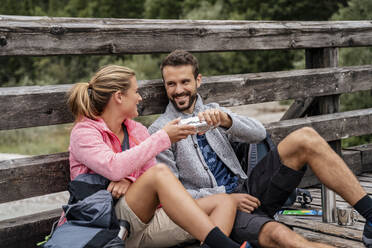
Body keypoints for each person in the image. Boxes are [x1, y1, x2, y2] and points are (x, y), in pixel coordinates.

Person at [148, 49, 372, 248]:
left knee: (306, 137)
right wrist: (225, 198)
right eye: (171, 84)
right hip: (220, 211)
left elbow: (260, 134)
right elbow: (174, 197)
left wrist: (226, 120)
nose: (178, 90)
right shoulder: (161, 132)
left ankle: (370, 215)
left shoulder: (213, 111)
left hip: (250, 187)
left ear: (198, 80)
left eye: (185, 82)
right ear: (165, 85)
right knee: (281, 235)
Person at [67, 64, 250, 248]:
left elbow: (147, 172)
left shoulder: (136, 130)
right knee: (160, 174)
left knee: (224, 202)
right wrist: (163, 137)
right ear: (119, 97)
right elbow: (114, 167)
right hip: (106, 224)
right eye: (136, 91)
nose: (139, 98)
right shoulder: (84, 132)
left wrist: (130, 180)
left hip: (147, 222)